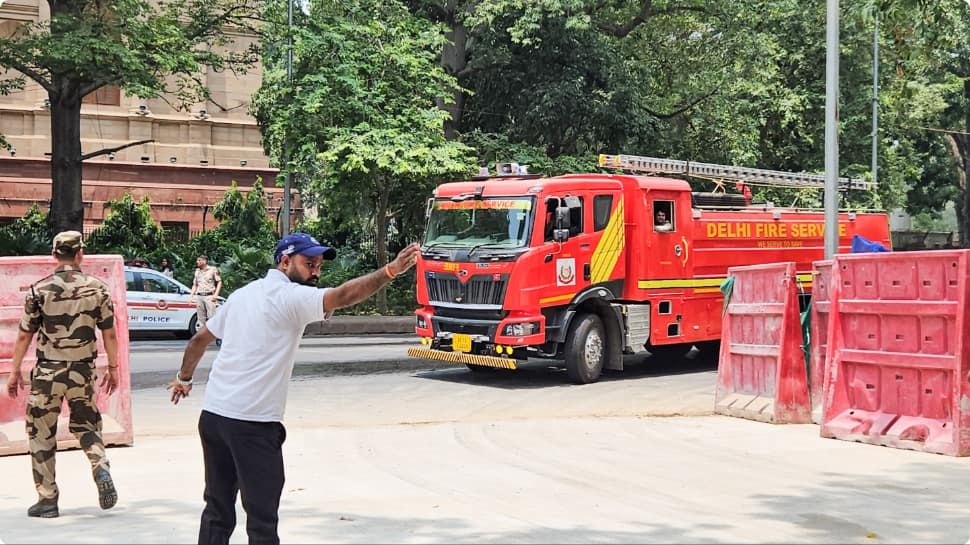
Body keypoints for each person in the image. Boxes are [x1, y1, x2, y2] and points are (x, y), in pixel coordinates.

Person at [167, 232, 421, 544]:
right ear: (285, 261)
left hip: (214, 419)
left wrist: (184, 379)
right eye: (308, 263)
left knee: (217, 511)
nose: (315, 271)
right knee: (262, 521)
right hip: (253, 426)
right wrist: (391, 270)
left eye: (318, 265)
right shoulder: (290, 298)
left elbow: (198, 341)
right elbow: (342, 296)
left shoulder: (243, 295)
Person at [5, 230, 120, 519]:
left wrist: (15, 371)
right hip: (82, 372)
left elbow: (23, 335)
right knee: (87, 426)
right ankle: (100, 464)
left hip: (47, 374)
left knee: (41, 433)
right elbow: (109, 333)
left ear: (54, 255)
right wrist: (114, 368)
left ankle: (47, 500)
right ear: (80, 253)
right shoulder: (98, 289)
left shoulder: (40, 290)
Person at [189, 254, 222, 332]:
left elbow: (219, 282)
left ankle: (215, 336)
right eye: (197, 260)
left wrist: (216, 295)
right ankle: (202, 338)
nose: (197, 262)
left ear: (204, 261)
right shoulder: (197, 271)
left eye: (199, 260)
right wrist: (191, 296)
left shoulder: (213, 270)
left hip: (209, 296)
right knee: (200, 319)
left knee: (212, 318)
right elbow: (195, 284)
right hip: (199, 296)